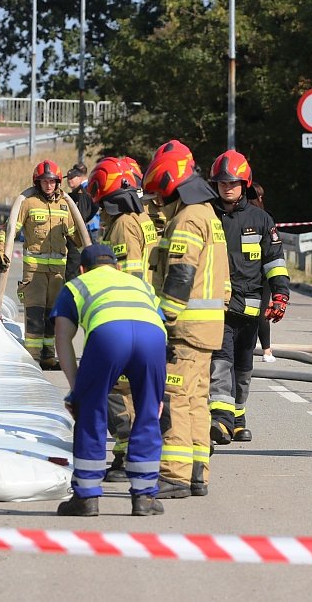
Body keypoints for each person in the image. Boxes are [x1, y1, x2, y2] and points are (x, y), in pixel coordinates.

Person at [51, 245, 167, 517]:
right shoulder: (140, 284)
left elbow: (62, 338)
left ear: (82, 268)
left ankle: (86, 497)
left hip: (109, 336)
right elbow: (160, 326)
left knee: (91, 412)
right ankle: (145, 497)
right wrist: (157, 395)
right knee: (148, 414)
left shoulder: (77, 285)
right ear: (117, 267)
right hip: (153, 337)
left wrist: (76, 389)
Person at [143, 141, 230, 498]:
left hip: (186, 327)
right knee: (196, 399)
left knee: (175, 397)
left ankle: (174, 475)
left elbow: (181, 274)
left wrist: (164, 319)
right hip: (208, 328)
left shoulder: (188, 218)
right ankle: (197, 473)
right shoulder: (207, 213)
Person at [207, 150, 290, 445]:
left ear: (245, 184)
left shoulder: (261, 219)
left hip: (251, 307)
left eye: (233, 183)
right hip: (217, 305)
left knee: (243, 366)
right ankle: (220, 418)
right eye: (222, 183)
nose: (227, 188)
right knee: (221, 359)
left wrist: (280, 293)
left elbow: (275, 261)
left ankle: (238, 417)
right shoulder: (206, 215)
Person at [86, 156, 159, 482]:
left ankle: (128, 453)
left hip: (125, 314)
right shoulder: (140, 218)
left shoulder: (123, 225)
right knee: (133, 389)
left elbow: (127, 273)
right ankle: (126, 453)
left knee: (117, 388)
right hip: (145, 313)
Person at [0, 160, 86, 369]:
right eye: (45, 181)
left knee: (53, 314)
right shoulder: (28, 202)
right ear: (38, 182)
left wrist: (91, 252)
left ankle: (48, 356)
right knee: (35, 314)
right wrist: (0, 250)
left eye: (52, 181)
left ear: (58, 182)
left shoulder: (65, 205)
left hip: (57, 274)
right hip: (34, 272)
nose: (49, 185)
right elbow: (9, 229)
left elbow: (76, 235)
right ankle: (33, 357)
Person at [251, 183, 277, 363]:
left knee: (259, 313)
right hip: (259, 274)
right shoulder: (265, 217)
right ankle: (266, 350)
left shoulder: (264, 218)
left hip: (259, 273)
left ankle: (265, 349)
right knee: (260, 312)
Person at [64, 162, 101, 281]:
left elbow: (81, 217)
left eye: (72, 178)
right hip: (83, 232)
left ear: (80, 177)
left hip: (83, 232)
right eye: (68, 178)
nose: (69, 181)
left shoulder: (83, 193)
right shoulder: (78, 192)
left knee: (74, 268)